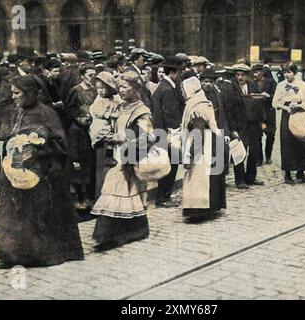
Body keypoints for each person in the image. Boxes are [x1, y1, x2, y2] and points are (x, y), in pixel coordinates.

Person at [0, 74, 84, 268]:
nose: (13, 97)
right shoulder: (14, 111)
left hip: (43, 174)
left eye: (17, 93)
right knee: (15, 213)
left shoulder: (46, 113)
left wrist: (36, 149)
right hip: (18, 171)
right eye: (12, 93)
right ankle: (16, 254)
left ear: (30, 94)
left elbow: (60, 144)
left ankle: (41, 254)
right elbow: (7, 136)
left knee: (41, 216)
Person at [91, 71, 153, 251]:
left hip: (129, 157)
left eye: (125, 87)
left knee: (115, 189)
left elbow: (148, 137)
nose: (121, 90)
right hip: (117, 155)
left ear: (136, 88)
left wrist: (123, 137)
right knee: (125, 192)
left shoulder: (142, 111)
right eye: (120, 87)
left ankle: (108, 235)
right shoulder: (122, 106)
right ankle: (135, 229)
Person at [181, 77, 225, 218]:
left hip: (203, 146)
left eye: (183, 90)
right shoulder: (202, 102)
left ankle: (199, 210)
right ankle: (211, 207)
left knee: (200, 179)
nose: (182, 93)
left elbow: (197, 131)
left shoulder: (197, 107)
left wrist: (191, 153)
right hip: (210, 144)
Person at [152, 56, 185, 207]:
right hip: (168, 134)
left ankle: (165, 195)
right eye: (179, 72)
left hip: (164, 133)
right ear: (174, 73)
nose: (180, 76)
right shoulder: (167, 89)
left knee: (170, 166)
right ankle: (163, 198)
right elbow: (170, 115)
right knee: (170, 167)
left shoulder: (165, 86)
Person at [273, 61, 305, 184]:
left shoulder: (302, 85)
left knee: (301, 140)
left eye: (289, 72)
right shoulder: (280, 85)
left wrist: (299, 105)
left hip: (299, 114)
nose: (286, 75)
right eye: (285, 72)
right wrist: (285, 107)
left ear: (294, 72)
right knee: (287, 142)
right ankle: (288, 173)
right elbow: (275, 102)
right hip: (287, 114)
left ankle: (301, 172)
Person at [230, 63, 265, 189]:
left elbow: (259, 102)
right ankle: (239, 180)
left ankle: (251, 177)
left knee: (254, 151)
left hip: (253, 123)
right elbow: (229, 109)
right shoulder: (231, 87)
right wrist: (232, 127)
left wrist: (262, 121)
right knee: (240, 151)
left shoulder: (252, 85)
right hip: (240, 124)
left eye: (243, 75)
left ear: (247, 75)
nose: (240, 78)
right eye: (238, 75)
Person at [90, 71, 121, 198]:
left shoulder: (113, 99)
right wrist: (109, 115)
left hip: (112, 129)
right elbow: (95, 111)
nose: (100, 91)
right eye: (98, 88)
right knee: (102, 168)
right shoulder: (99, 100)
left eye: (103, 88)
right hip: (101, 128)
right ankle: (100, 196)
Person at [68, 108, 94, 211]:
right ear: (79, 118)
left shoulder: (83, 128)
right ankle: (74, 200)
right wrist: (75, 160)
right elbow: (73, 146)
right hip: (76, 161)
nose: (88, 122)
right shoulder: (74, 129)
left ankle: (85, 199)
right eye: (85, 119)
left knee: (82, 181)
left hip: (84, 160)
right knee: (74, 181)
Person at [253, 64, 277, 165]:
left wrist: (268, 95)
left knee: (270, 135)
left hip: (269, 111)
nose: (255, 74)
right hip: (257, 112)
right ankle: (259, 158)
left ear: (262, 72)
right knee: (257, 136)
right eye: (254, 72)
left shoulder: (270, 82)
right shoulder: (252, 83)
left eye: (258, 72)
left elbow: (276, 95)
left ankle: (268, 156)